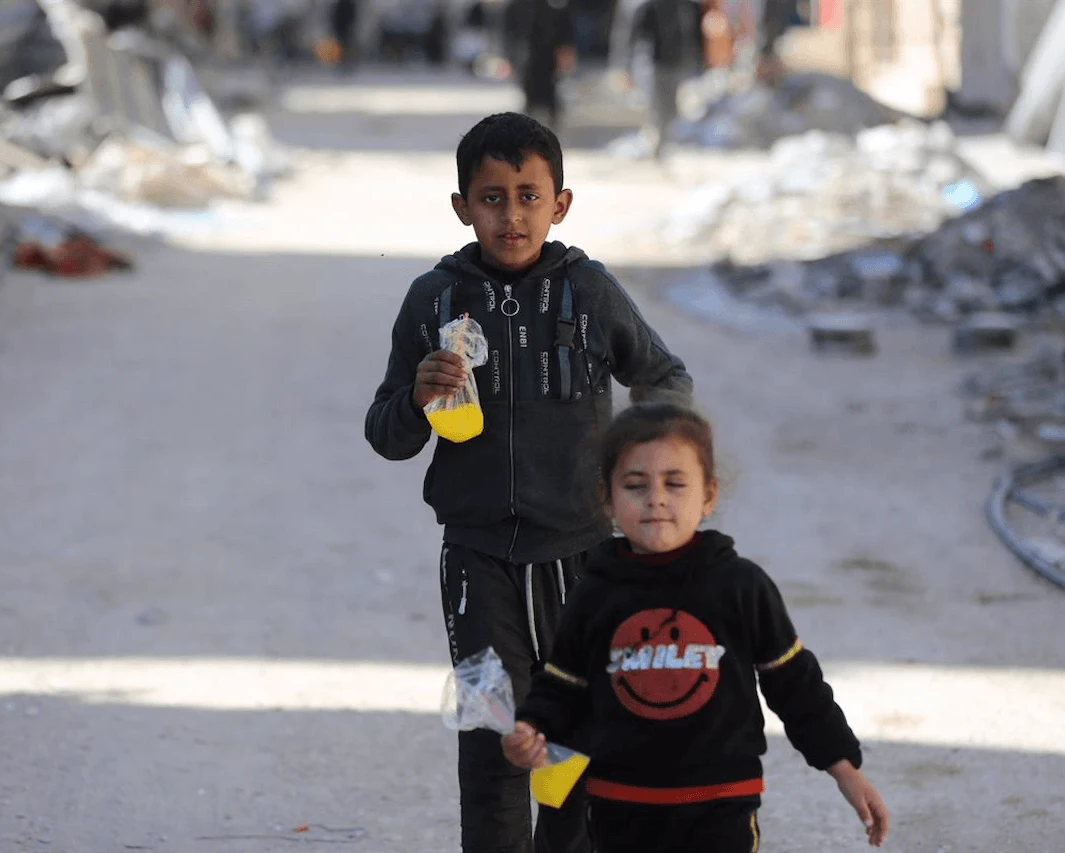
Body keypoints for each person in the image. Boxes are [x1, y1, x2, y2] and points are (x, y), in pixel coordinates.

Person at [364, 112, 692, 853]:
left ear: (561, 203)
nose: (510, 215)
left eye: (527, 195)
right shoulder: (433, 301)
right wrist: (418, 396)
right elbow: (385, 434)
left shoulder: (589, 291)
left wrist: (656, 479)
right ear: (461, 207)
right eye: (490, 197)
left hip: (583, 556)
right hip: (477, 560)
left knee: (573, 745)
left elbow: (664, 377)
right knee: (493, 736)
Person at [502, 403, 891, 852]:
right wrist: (530, 730)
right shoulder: (594, 594)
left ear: (708, 496)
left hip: (720, 805)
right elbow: (562, 688)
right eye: (635, 485)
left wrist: (844, 768)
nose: (656, 498)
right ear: (606, 499)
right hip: (619, 809)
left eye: (675, 483)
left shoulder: (741, 586)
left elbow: (796, 686)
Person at [627, 0, 704, 159]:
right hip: (656, 65)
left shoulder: (689, 7)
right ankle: (658, 141)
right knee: (658, 105)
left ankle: (664, 140)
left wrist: (698, 62)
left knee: (672, 107)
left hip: (679, 64)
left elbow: (696, 35)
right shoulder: (650, 7)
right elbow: (638, 36)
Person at [504, 0, 578, 130]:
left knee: (550, 87)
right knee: (529, 86)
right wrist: (509, 56)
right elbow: (510, 31)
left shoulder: (555, 5)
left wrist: (566, 52)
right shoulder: (518, 6)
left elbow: (564, 29)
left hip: (548, 54)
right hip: (527, 54)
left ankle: (551, 120)